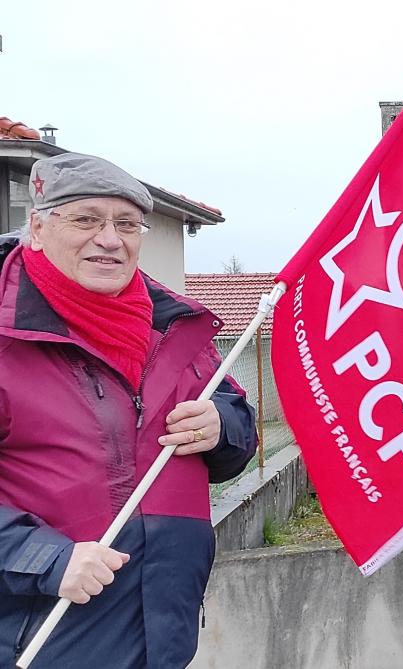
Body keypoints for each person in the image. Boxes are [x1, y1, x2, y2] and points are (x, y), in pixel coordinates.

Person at [0, 153, 257, 668]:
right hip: (44, 639)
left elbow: (238, 430)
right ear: (37, 228)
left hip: (165, 632)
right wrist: (46, 559)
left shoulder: (172, 327)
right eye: (86, 219)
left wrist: (221, 426)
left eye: (126, 224)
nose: (110, 239)